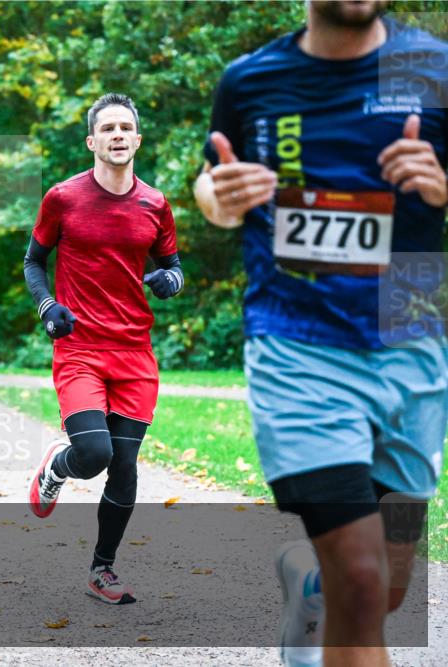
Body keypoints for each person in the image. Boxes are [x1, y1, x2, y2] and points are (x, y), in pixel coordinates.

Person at [193, 2, 447, 665]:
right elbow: (210, 182)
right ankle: (330, 583)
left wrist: (442, 186)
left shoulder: (434, 68)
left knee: (387, 588)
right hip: (296, 344)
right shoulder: (250, 79)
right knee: (361, 579)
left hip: (411, 342)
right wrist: (220, 200)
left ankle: (309, 581)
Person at [25, 93, 184, 605]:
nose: (118, 135)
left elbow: (174, 267)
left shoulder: (155, 203)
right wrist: (48, 306)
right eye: (108, 128)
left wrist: (169, 282)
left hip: (135, 353)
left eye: (125, 128)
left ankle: (102, 570)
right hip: (81, 348)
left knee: (125, 464)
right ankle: (58, 467)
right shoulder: (62, 198)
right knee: (94, 454)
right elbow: (33, 261)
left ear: (137, 139)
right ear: (92, 141)